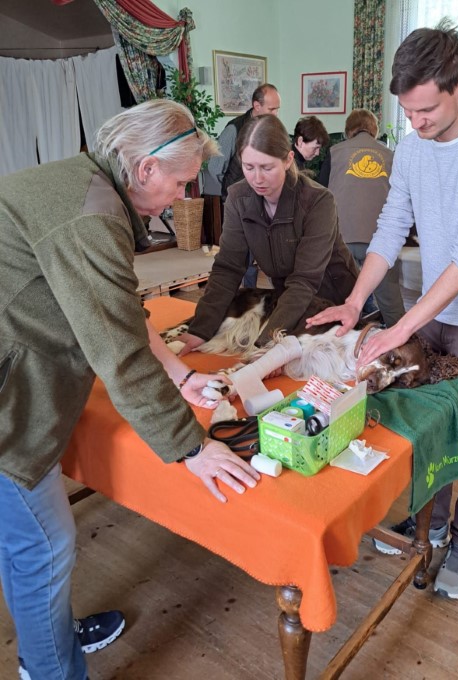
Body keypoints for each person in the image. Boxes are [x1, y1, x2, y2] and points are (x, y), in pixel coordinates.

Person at [0, 99, 260, 680]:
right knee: (42, 546)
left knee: (29, 544)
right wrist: (191, 447)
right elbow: (119, 353)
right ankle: (49, 668)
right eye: (181, 183)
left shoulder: (85, 183)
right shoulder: (92, 216)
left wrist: (183, 376)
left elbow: (120, 311)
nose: (183, 197)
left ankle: (48, 639)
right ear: (145, 168)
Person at [306, 20, 458, 600]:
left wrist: (400, 326)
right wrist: (355, 302)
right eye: (407, 112)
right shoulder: (410, 147)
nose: (417, 123)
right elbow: (390, 228)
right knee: (428, 428)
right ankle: (427, 521)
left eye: (426, 109)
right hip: (433, 314)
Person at [177, 114, 359, 354]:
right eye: (249, 167)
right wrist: (200, 329)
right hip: (288, 300)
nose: (257, 178)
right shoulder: (238, 198)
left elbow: (304, 281)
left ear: (288, 160)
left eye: (267, 167)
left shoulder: (318, 201)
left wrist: (265, 344)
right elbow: (228, 268)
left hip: (333, 298)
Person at [318, 108, 405, 327]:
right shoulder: (391, 155)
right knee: (390, 302)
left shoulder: (334, 152)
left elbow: (320, 193)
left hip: (340, 238)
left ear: (348, 130)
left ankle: (335, 340)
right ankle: (401, 341)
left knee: (337, 299)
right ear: (374, 130)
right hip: (380, 241)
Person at [205, 83, 281, 288]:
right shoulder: (234, 129)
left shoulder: (272, 130)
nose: (276, 114)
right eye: (272, 109)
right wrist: (232, 189)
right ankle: (234, 296)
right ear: (257, 106)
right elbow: (215, 166)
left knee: (259, 253)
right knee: (240, 254)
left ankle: (251, 293)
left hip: (264, 200)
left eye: (277, 109)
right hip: (238, 202)